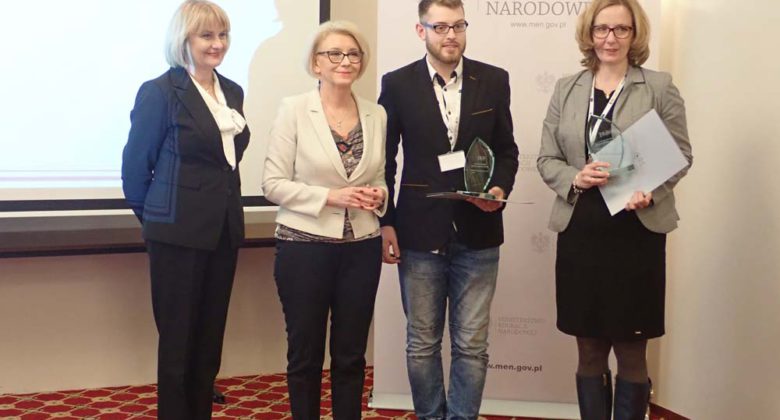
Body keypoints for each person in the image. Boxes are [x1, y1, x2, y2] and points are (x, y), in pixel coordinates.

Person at [536, 0, 693, 418]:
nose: (611, 38)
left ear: (635, 34)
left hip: (635, 234)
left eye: (622, 29)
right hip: (581, 232)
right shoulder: (567, 88)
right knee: (588, 349)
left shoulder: (657, 86)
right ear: (589, 34)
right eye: (602, 29)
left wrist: (650, 192)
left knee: (631, 350)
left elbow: (681, 154)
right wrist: (576, 176)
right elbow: (546, 159)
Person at [378, 0, 519, 418]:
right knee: (422, 343)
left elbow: (507, 151)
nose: (451, 35)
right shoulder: (397, 84)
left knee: (472, 344)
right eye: (440, 27)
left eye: (458, 25)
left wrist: (499, 187)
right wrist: (386, 222)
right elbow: (384, 161)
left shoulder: (493, 79)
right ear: (421, 31)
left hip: (479, 231)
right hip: (418, 231)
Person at [121, 1, 249, 418]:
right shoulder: (160, 92)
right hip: (176, 236)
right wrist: (162, 222)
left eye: (222, 35)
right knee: (178, 345)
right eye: (206, 35)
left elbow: (226, 163)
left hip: (223, 232)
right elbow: (135, 172)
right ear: (183, 40)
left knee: (209, 343)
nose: (217, 44)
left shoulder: (233, 91)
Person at [261, 20, 387, 420]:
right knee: (306, 354)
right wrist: (330, 197)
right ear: (316, 63)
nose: (344, 61)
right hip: (304, 247)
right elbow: (272, 184)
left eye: (352, 54)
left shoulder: (376, 113)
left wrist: (379, 195)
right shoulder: (294, 110)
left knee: (351, 355)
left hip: (362, 247)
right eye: (334, 53)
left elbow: (380, 176)